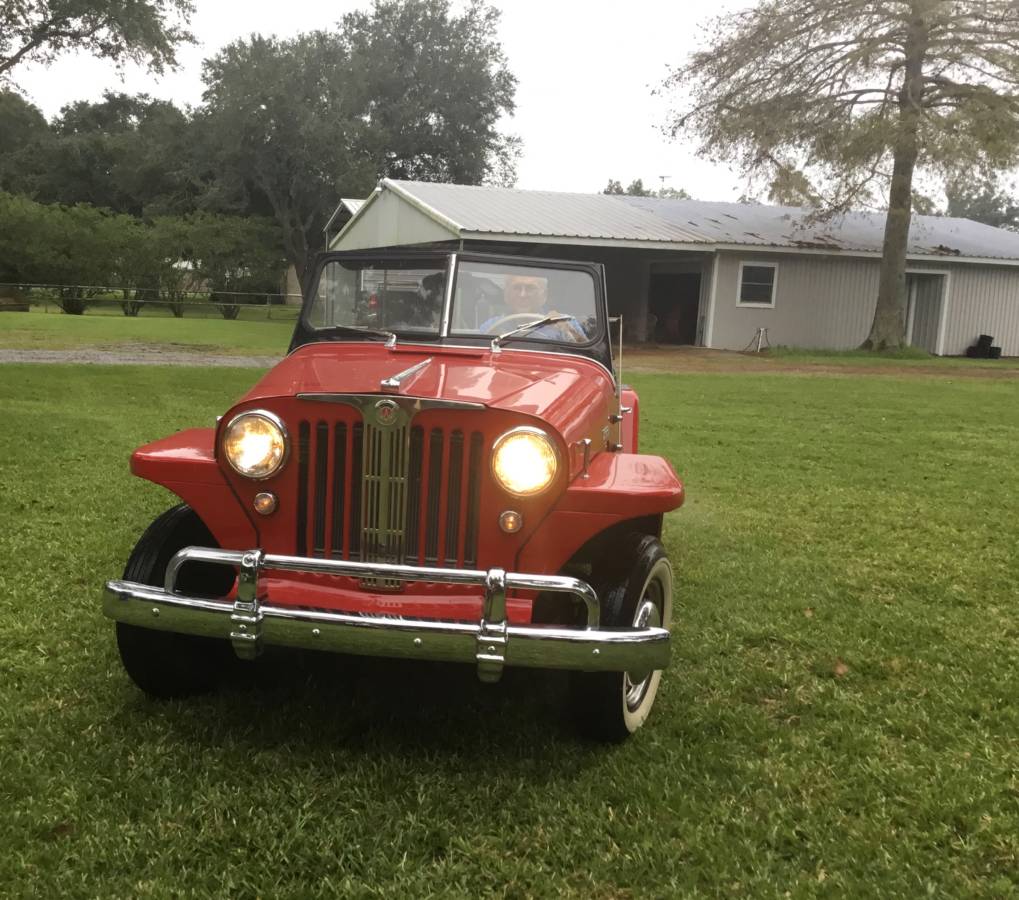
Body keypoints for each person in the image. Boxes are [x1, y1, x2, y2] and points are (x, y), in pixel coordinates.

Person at [480, 273, 588, 342]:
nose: (523, 295)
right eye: (517, 288)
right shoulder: (491, 326)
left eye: (530, 288)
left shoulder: (563, 321)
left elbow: (589, 355)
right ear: (506, 295)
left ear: (544, 295)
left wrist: (569, 330)